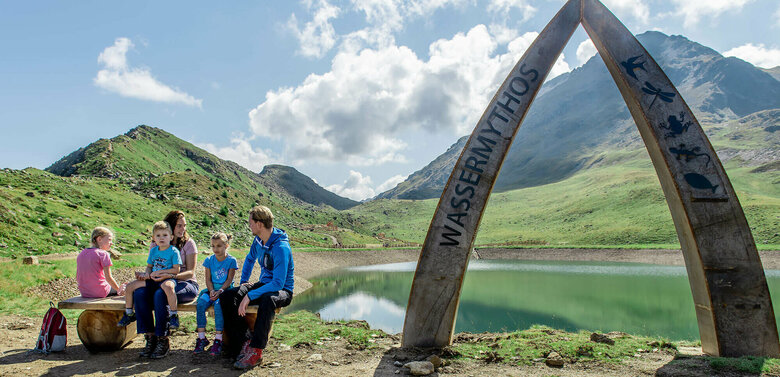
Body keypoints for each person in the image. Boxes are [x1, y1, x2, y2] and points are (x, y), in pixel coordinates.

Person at [220, 205, 294, 370]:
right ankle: (244, 341)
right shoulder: (258, 241)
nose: (249, 226)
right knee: (227, 296)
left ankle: (256, 350)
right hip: (265, 284)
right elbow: (249, 259)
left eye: (251, 223)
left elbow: (278, 284)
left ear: (259, 224)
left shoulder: (281, 247)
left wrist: (250, 295)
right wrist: (245, 282)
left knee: (268, 299)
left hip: (283, 290)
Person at [133, 210, 200, 359]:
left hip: (185, 284)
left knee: (160, 294)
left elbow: (190, 272)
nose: (183, 229)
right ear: (169, 226)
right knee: (139, 293)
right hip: (160, 283)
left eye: (184, 226)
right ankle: (150, 338)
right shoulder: (156, 243)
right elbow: (151, 266)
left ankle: (163, 339)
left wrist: (170, 275)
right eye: (179, 226)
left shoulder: (188, 243)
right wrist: (146, 276)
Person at [117, 221, 181, 341]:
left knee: (169, 288)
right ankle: (129, 313)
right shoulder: (153, 251)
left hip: (166, 278)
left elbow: (176, 270)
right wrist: (146, 274)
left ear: (171, 237)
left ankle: (173, 315)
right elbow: (149, 266)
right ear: (153, 238)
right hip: (152, 279)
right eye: (158, 236)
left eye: (165, 235)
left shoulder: (173, 251)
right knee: (130, 287)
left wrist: (162, 273)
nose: (161, 238)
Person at [193, 232, 238, 355]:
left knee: (219, 306)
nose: (215, 249)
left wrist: (220, 291)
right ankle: (201, 338)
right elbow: (208, 279)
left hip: (225, 291)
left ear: (226, 246)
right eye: (213, 246)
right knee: (201, 303)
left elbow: (229, 280)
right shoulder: (209, 260)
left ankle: (218, 339)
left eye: (219, 246)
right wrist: (212, 290)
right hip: (212, 290)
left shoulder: (231, 261)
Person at [76, 227, 122, 298]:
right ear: (99, 239)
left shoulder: (82, 253)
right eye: (109, 239)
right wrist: (119, 290)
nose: (111, 243)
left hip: (84, 292)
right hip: (100, 292)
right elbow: (109, 278)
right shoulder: (103, 254)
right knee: (125, 288)